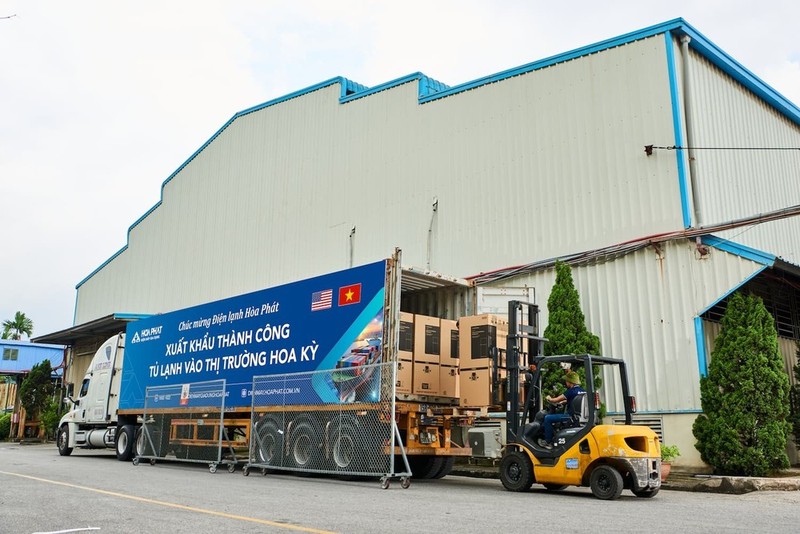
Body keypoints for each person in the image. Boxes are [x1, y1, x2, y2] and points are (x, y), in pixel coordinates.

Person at [540, 371, 585, 448]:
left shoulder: (570, 391)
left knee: (547, 418)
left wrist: (549, 398)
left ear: (570, 382)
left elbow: (555, 400)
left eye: (566, 381)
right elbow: (574, 400)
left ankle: (548, 442)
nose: (566, 383)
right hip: (579, 417)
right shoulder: (582, 390)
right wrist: (563, 402)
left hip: (570, 417)